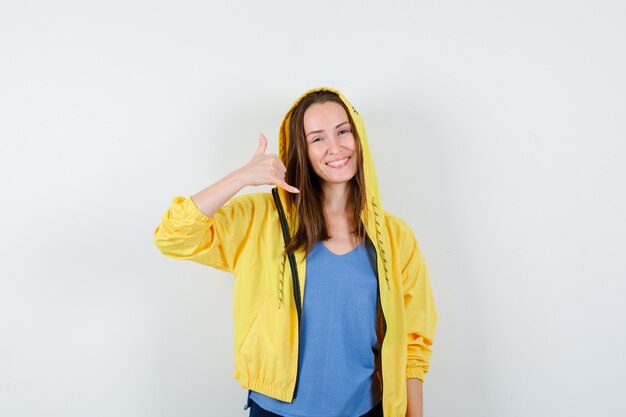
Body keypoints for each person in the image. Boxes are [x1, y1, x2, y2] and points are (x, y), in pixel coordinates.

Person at [153, 87, 438, 417]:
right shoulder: (260, 219)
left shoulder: (395, 237)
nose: (335, 147)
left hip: (365, 410)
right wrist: (241, 177)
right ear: (302, 149)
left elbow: (413, 344)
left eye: (343, 131)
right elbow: (173, 236)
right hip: (275, 411)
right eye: (317, 138)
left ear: (358, 138)